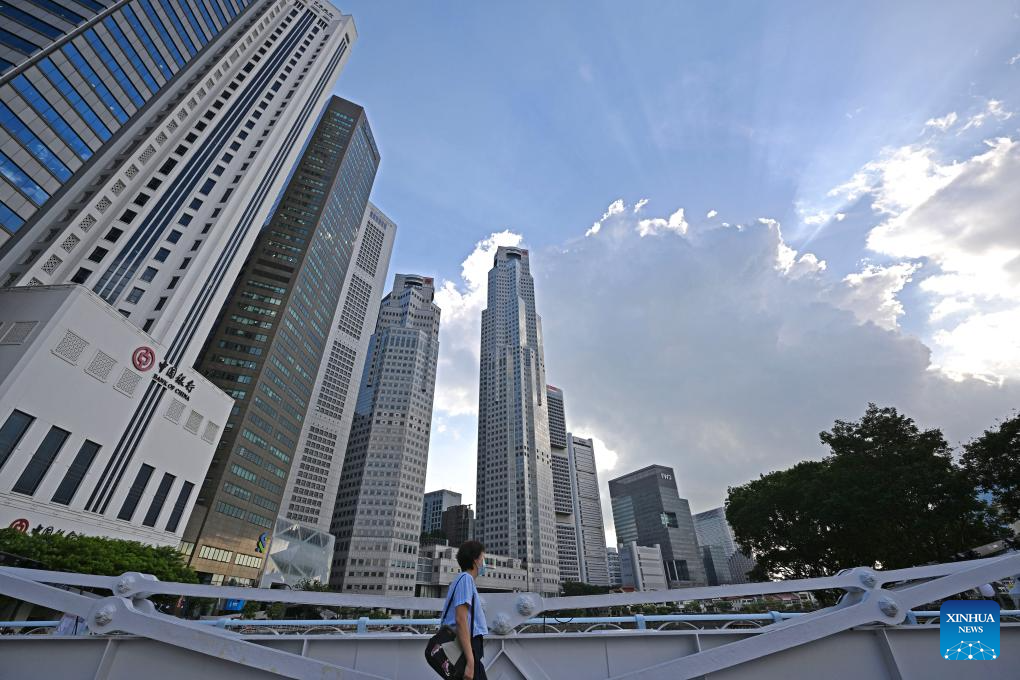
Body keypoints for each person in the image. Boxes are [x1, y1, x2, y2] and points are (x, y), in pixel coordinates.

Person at [440, 540, 489, 680]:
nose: (484, 563)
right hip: (465, 648)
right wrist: (470, 661)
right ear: (475, 560)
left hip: (463, 647)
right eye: (483, 558)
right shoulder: (466, 579)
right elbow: (461, 619)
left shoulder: (462, 580)